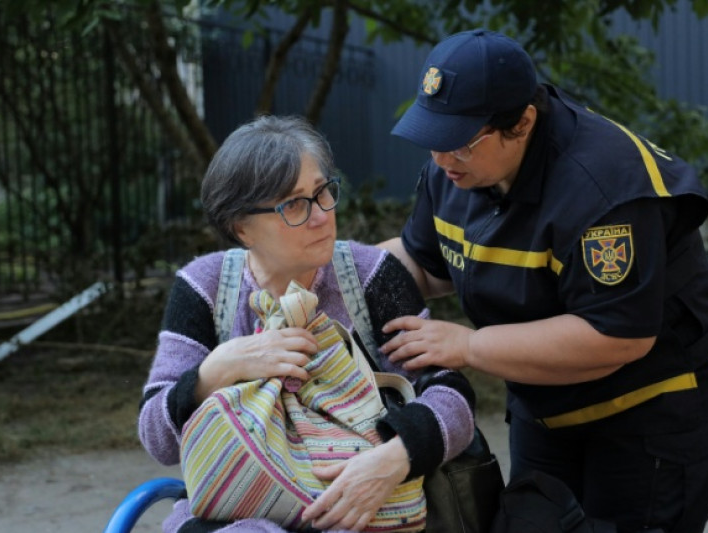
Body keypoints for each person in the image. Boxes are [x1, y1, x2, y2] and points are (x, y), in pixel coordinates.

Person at [378, 29, 708, 533]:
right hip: (549, 401)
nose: (443, 160)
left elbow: (617, 335)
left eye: (460, 144)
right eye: (433, 139)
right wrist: (336, 273)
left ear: (523, 123)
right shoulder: (454, 171)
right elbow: (425, 263)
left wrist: (469, 345)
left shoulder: (602, 190)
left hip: (657, 406)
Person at [138, 115, 477, 533]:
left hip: (357, 505)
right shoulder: (205, 288)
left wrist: (394, 458)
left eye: (322, 193)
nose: (320, 216)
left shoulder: (371, 276)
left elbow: (451, 398)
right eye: (293, 204)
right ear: (241, 227)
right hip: (235, 507)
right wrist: (217, 370)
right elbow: (158, 438)